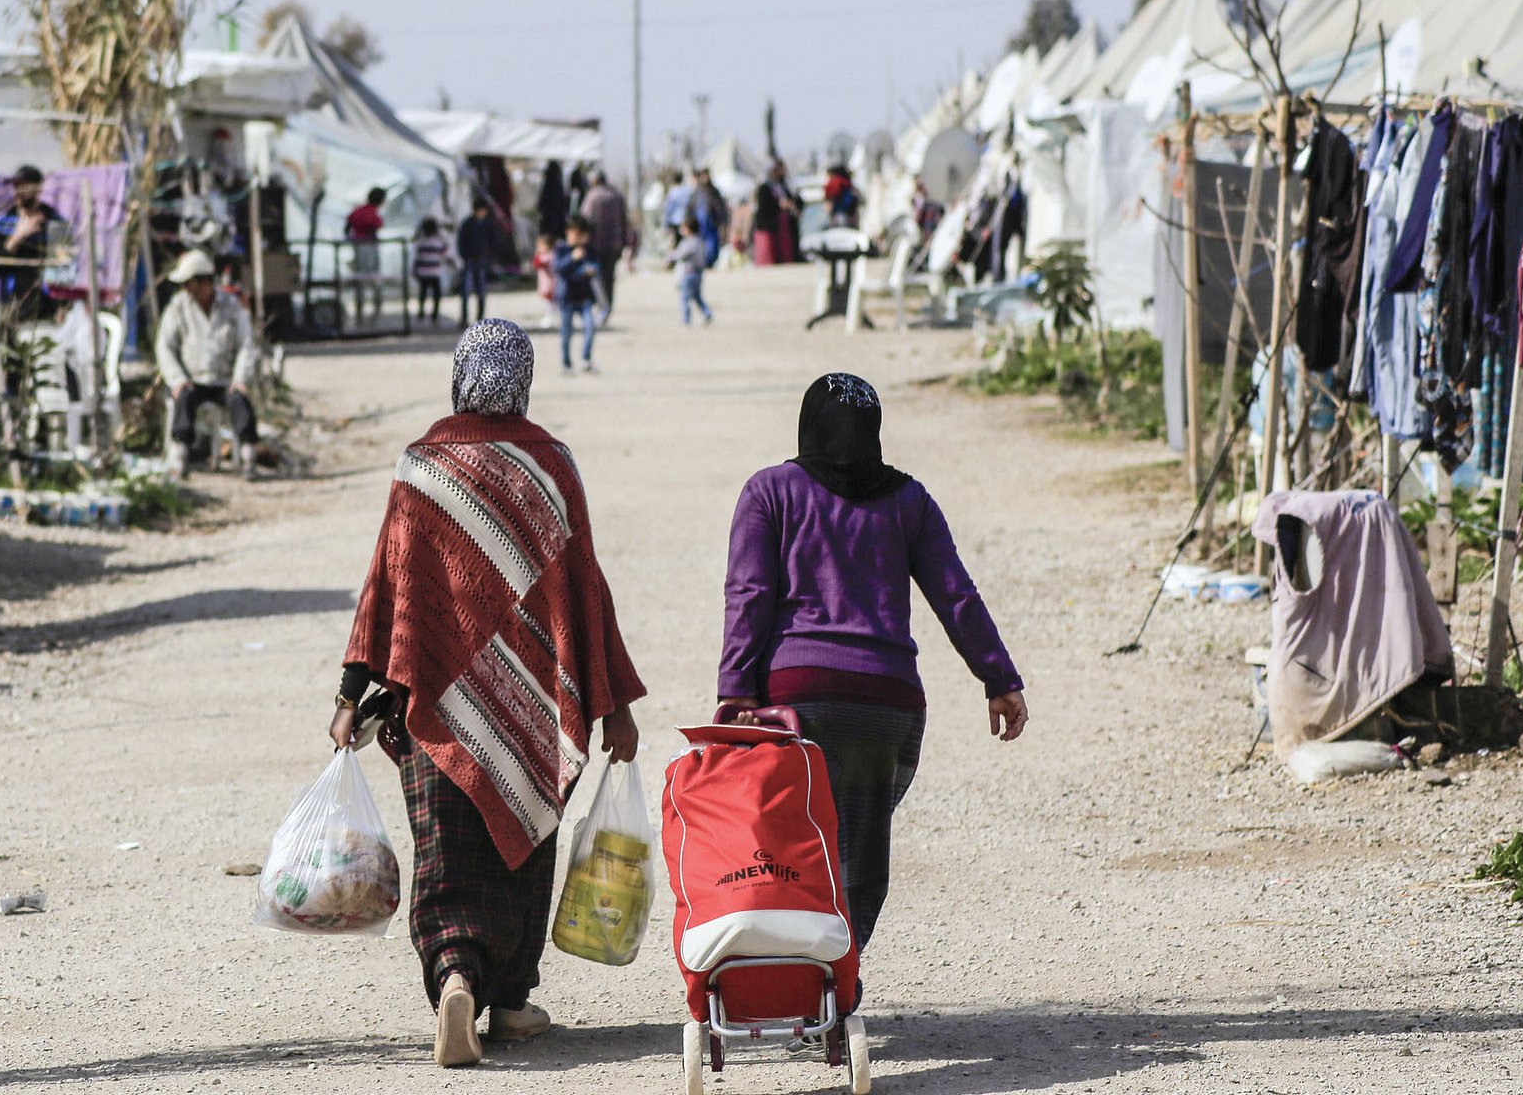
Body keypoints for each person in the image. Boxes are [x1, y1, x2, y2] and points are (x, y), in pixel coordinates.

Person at [333, 318, 644, 1068]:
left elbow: (389, 589)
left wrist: (351, 692)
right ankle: (507, 1000)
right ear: (524, 380)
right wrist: (615, 705)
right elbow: (585, 592)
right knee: (521, 851)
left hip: (435, 705)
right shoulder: (554, 468)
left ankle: (454, 981)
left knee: (446, 857)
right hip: (536, 709)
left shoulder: (423, 467)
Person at [718, 373, 1028, 952]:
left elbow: (750, 594)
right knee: (856, 851)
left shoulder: (770, 492)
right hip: (884, 705)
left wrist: (736, 688)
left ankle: (790, 975)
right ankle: (838, 974)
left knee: (790, 844)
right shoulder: (909, 500)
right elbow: (955, 593)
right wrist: (999, 679)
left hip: (794, 700)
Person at [154, 250, 261, 479]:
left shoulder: (231, 306)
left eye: (191, 284)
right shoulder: (178, 307)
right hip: (192, 380)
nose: (188, 290)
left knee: (240, 403)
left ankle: (248, 457)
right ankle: (180, 458)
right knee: (183, 401)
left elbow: (246, 345)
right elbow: (165, 347)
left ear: (204, 283)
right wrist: (178, 379)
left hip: (224, 380)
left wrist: (240, 379)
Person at [0, 164, 67, 321]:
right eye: (16, 186)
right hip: (13, 307)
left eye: (24, 186)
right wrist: (18, 236)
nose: (18, 190)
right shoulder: (3, 224)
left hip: (49, 309)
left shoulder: (54, 222)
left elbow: (65, 270)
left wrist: (63, 305)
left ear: (38, 188)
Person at [579, 169, 632, 322]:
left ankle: (603, 306)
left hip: (596, 243)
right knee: (609, 277)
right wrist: (625, 242)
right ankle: (608, 306)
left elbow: (584, 219)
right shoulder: (617, 196)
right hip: (614, 244)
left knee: (597, 277)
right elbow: (625, 220)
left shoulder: (592, 196)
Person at [555, 215, 604, 373]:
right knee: (566, 333)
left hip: (585, 297)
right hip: (566, 297)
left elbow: (595, 267)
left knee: (590, 327)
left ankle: (586, 359)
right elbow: (559, 269)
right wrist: (573, 258)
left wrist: (590, 269)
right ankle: (566, 363)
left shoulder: (588, 249)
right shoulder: (561, 249)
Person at [455, 200, 501, 324]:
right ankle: (464, 317)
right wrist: (464, 255)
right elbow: (461, 241)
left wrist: (491, 257)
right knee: (466, 291)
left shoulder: (488, 224)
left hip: (482, 260)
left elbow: (493, 241)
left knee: (481, 290)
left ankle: (480, 317)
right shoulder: (468, 223)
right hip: (469, 259)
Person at [346, 187, 387, 320]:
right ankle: (375, 309)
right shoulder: (370, 213)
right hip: (368, 247)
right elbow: (375, 226)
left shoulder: (358, 211)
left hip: (358, 246)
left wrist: (351, 240)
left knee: (361, 279)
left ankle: (360, 310)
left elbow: (347, 226)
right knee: (372, 277)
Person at [752, 160, 803, 266]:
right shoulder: (765, 188)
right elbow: (765, 206)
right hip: (768, 227)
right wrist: (779, 205)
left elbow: (796, 200)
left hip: (783, 228)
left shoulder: (784, 186)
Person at [669, 215, 713, 326]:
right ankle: (707, 313)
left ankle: (686, 319)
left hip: (689, 274)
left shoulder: (689, 242)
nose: (681, 230)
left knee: (685, 298)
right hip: (699, 274)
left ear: (689, 229)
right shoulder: (701, 241)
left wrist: (670, 255)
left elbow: (681, 255)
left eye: (683, 228)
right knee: (697, 297)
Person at [412, 217, 451, 325]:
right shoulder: (439, 241)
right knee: (436, 295)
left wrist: (414, 270)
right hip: (435, 272)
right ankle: (435, 314)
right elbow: (446, 253)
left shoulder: (421, 242)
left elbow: (417, 259)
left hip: (423, 272)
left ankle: (421, 311)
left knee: (423, 293)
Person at [690, 167, 730, 268]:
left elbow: (720, 207)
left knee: (712, 242)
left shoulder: (714, 191)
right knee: (701, 242)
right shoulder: (697, 191)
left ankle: (710, 261)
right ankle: (703, 260)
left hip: (712, 221)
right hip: (700, 223)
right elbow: (692, 206)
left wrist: (723, 221)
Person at [660, 168, 695, 249]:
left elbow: (668, 210)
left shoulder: (672, 193)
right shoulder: (688, 190)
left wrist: (666, 224)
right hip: (687, 220)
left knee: (677, 243)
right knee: (687, 241)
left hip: (675, 221)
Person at [537, 161, 571, 240]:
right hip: (557, 222)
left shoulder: (547, 186)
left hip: (548, 222)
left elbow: (541, 205)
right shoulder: (559, 186)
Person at [531, 231, 559, 330]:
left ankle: (550, 318)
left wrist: (537, 255)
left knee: (550, 302)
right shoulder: (550, 256)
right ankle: (552, 317)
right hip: (546, 282)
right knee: (549, 302)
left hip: (551, 284)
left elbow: (537, 264)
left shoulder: (550, 256)